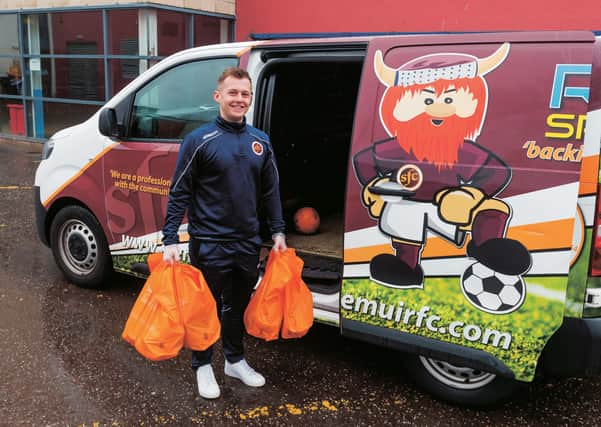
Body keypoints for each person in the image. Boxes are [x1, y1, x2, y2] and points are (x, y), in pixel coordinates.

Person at [161, 67, 287, 399]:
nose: (239, 99)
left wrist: (277, 232)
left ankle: (234, 360)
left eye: (245, 94)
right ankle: (202, 365)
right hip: (210, 242)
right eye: (233, 93)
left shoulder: (260, 141)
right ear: (218, 97)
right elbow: (180, 192)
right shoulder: (199, 140)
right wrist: (170, 238)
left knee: (236, 305)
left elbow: (270, 191)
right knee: (207, 307)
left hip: (247, 242)